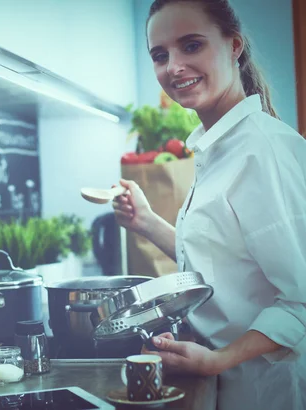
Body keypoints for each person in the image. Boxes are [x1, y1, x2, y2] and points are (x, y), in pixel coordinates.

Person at [112, 1, 306, 409]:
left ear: (234, 45)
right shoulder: (215, 148)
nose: (174, 66)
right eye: (160, 55)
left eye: (192, 46)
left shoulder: (262, 151)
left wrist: (218, 360)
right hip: (224, 384)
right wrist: (146, 222)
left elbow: (300, 297)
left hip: (263, 391)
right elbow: (223, 263)